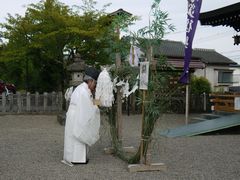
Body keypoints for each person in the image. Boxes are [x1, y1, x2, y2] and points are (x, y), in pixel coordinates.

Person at [62, 67, 100, 166]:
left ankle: (75, 157)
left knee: (74, 136)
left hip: (75, 114)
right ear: (90, 81)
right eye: (95, 83)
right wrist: (99, 103)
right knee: (78, 135)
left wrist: (98, 102)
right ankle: (77, 158)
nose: (95, 86)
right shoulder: (83, 91)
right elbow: (89, 106)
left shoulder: (83, 89)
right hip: (77, 115)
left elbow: (89, 103)